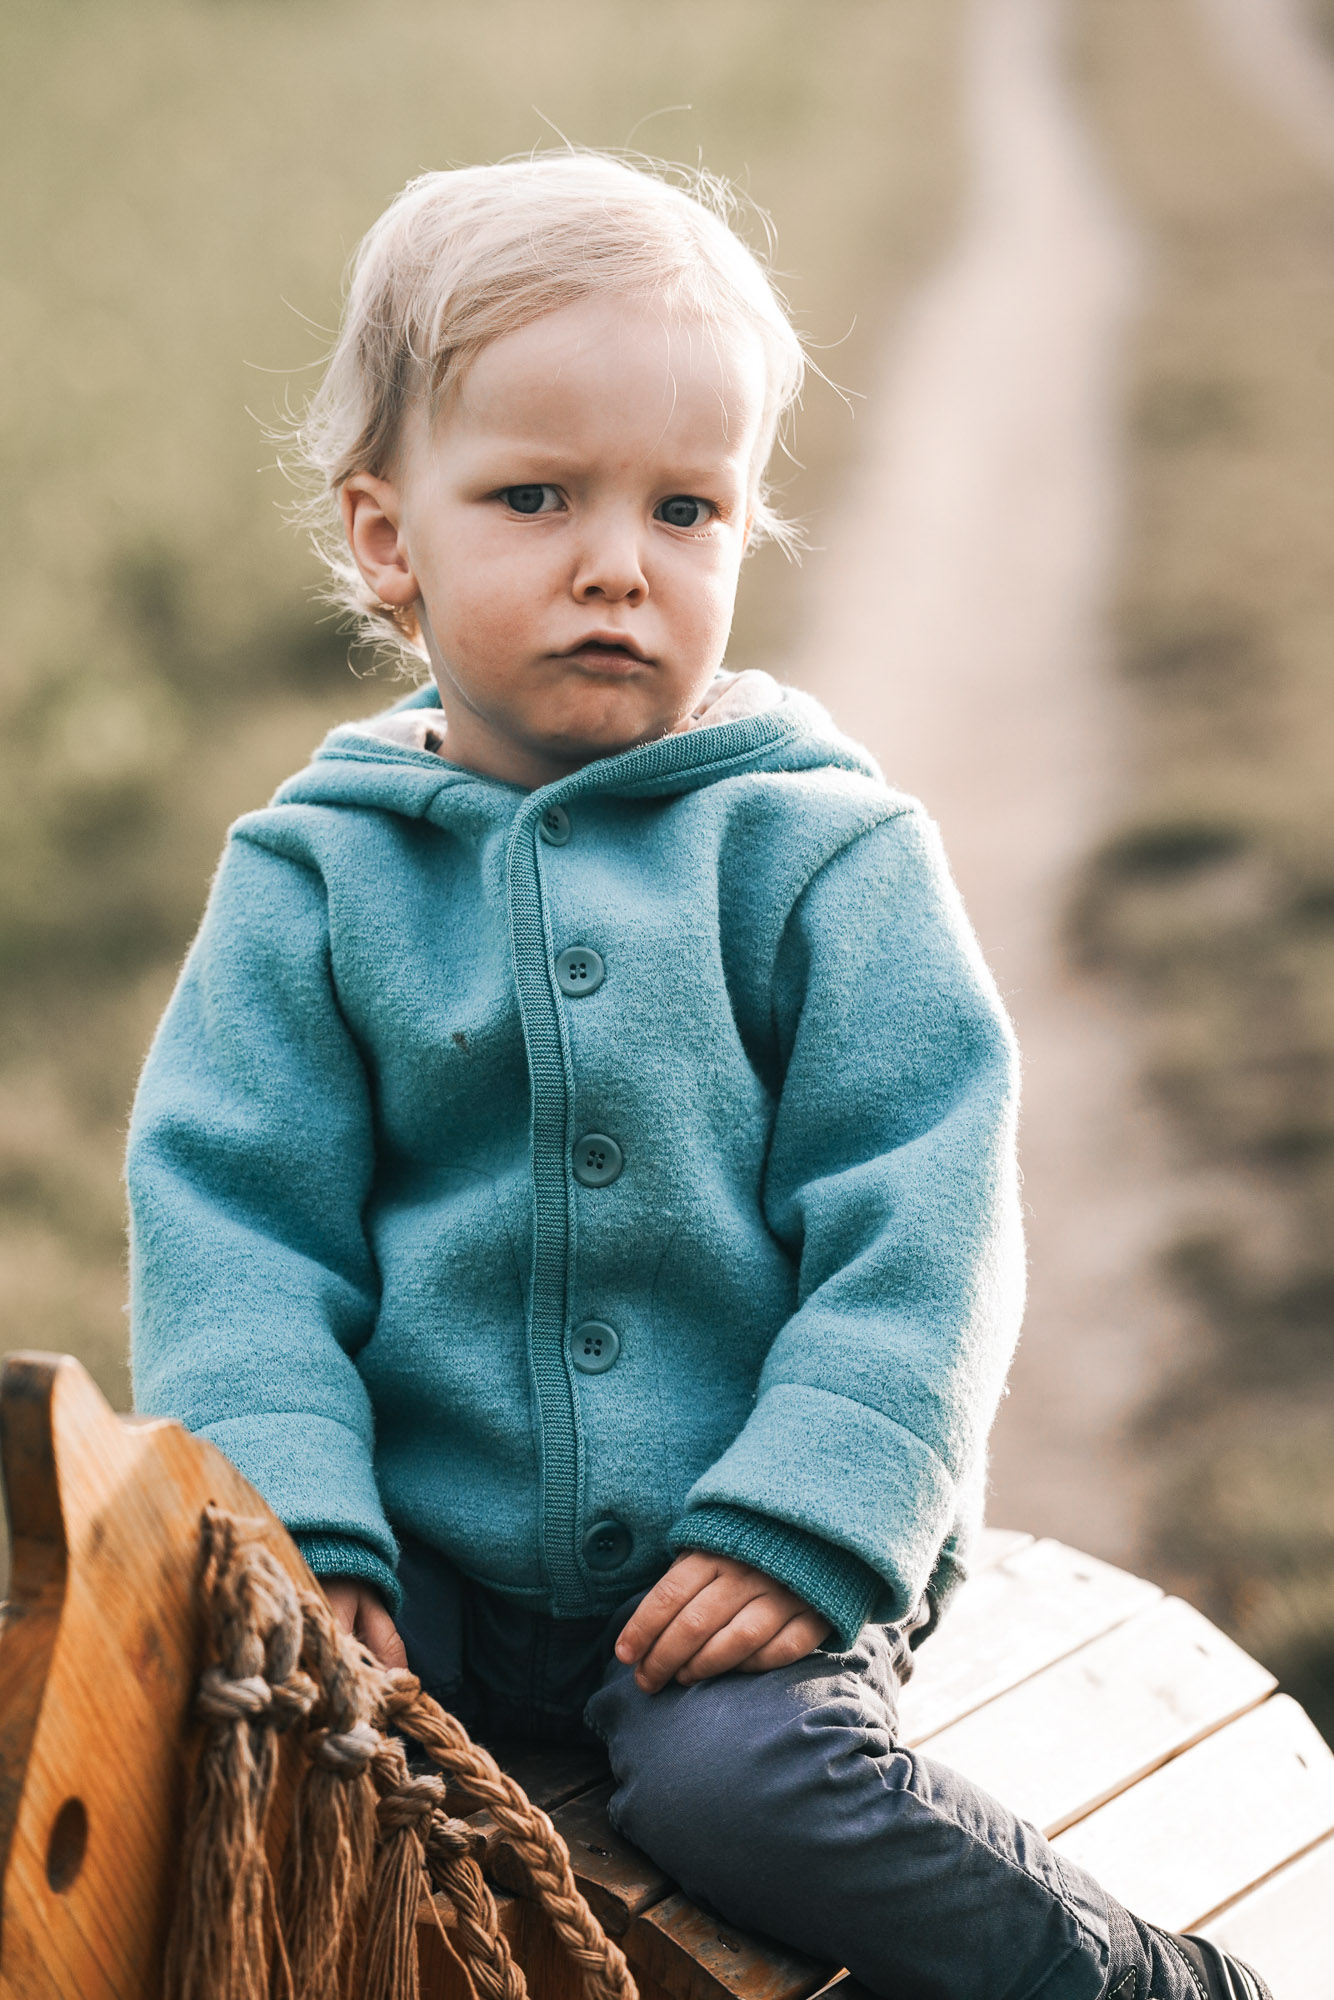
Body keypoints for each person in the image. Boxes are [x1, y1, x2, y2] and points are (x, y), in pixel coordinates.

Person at [127, 152, 1270, 2000]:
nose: (617, 563)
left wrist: (816, 1511)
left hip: (731, 1559)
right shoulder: (311, 880)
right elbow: (235, 1232)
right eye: (535, 497)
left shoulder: (818, 855)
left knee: (745, 1789)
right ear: (387, 540)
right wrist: (300, 1537)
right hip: (419, 1565)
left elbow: (925, 1217)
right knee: (213, 1765)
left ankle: (1140, 1980)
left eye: (685, 508)